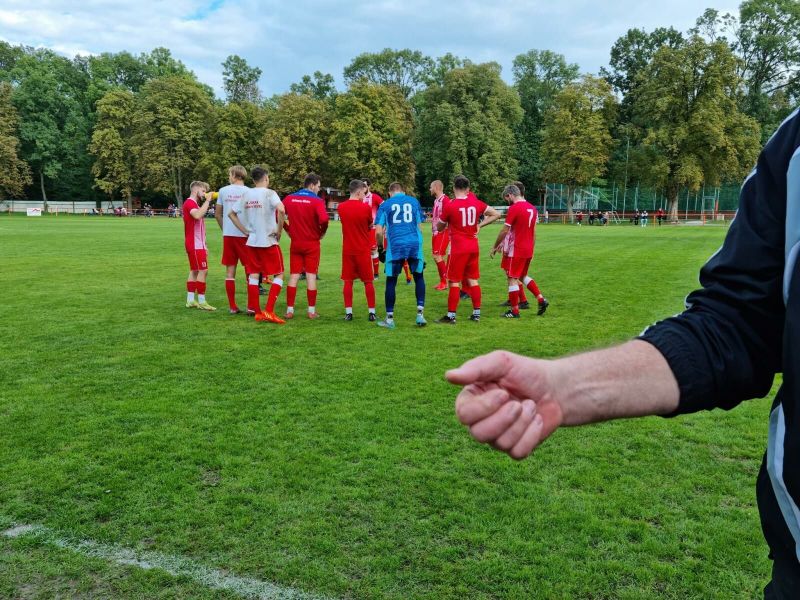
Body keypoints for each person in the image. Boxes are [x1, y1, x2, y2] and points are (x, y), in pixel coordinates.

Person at [447, 109, 800, 598]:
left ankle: (506, 304)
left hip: (490, 247)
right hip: (795, 565)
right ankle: (529, 301)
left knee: (499, 281)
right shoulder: (794, 144)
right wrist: (563, 385)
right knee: (513, 280)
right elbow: (738, 324)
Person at [435, 175, 500, 324]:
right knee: (473, 280)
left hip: (458, 247)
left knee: (453, 281)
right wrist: (480, 225)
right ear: (468, 189)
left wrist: (444, 222)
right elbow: (496, 214)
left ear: (453, 188)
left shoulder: (450, 205)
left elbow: (440, 227)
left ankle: (451, 316)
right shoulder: (475, 202)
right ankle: (476, 313)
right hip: (473, 246)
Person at [228, 166, 286, 324]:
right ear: (266, 178)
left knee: (253, 275)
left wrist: (244, 230)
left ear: (253, 180)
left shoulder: (247, 194)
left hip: (252, 241)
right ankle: (269, 310)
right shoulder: (270, 193)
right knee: (279, 273)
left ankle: (258, 312)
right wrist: (279, 231)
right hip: (268, 240)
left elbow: (231, 213)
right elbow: (281, 210)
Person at [490, 184, 549, 318]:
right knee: (522, 276)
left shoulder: (515, 208)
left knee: (512, 278)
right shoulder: (532, 208)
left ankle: (514, 311)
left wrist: (495, 246)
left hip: (516, 249)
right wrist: (532, 250)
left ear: (510, 195)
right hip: (528, 248)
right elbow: (534, 232)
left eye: (507, 198)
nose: (507, 201)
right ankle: (541, 299)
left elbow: (505, 230)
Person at [374, 182, 427, 329]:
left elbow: (378, 231)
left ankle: (390, 319)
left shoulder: (386, 205)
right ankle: (420, 315)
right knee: (419, 277)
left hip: (396, 245)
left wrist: (380, 248)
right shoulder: (413, 201)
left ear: (390, 192)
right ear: (403, 191)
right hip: (414, 245)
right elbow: (419, 227)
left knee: (391, 281)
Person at [282, 173, 329, 320]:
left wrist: (288, 229)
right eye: (318, 186)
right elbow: (324, 219)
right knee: (311, 276)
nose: (318, 189)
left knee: (294, 276)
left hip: (296, 242)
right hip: (311, 243)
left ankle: (290, 310)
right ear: (312, 185)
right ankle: (311, 311)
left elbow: (278, 213)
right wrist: (322, 232)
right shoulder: (317, 201)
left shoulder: (289, 198)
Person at [337, 179, 378, 321]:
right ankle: (371, 312)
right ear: (359, 191)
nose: (364, 195)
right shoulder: (366, 208)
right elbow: (369, 225)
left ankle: (349, 312)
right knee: (368, 281)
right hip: (363, 249)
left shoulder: (341, 207)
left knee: (348, 281)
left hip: (348, 249)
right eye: (363, 192)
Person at [214, 165, 250, 314]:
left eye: (230, 174)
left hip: (229, 236)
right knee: (250, 270)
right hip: (245, 235)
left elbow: (217, 214)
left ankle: (232, 307)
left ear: (235, 175)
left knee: (230, 272)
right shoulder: (249, 191)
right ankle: (251, 306)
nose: (229, 177)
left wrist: (226, 229)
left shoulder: (223, 191)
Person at [182, 181, 216, 311]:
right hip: (195, 244)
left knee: (195, 270)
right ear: (196, 190)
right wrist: (207, 201)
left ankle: (190, 300)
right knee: (203, 270)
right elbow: (197, 215)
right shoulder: (190, 203)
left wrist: (204, 244)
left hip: (197, 244)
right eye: (203, 191)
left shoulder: (194, 204)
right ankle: (202, 301)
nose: (205, 194)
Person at [430, 180, 451, 291]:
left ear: (436, 187)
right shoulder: (436, 201)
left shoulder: (445, 200)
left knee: (438, 256)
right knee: (436, 256)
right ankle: (442, 281)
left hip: (443, 232)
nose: (430, 189)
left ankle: (444, 282)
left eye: (431, 187)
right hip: (435, 232)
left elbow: (449, 216)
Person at [362, 178, 384, 279]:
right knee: (362, 251)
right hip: (361, 229)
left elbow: (385, 207)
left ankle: (376, 274)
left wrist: (381, 222)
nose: (363, 187)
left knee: (373, 250)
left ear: (369, 186)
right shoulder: (359, 197)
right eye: (362, 185)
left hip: (372, 229)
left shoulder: (374, 197)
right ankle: (364, 273)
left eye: (365, 185)